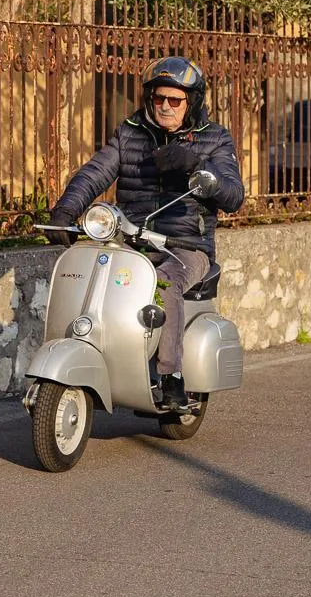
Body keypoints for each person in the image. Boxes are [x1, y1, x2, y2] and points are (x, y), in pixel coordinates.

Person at [47, 56, 245, 410]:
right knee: (89, 270)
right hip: (131, 239)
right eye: (158, 98)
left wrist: (197, 166)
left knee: (163, 284)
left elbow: (233, 195)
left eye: (175, 100)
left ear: (192, 102)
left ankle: (171, 377)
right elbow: (96, 172)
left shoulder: (214, 139)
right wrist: (66, 210)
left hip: (186, 247)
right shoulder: (131, 132)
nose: (165, 106)